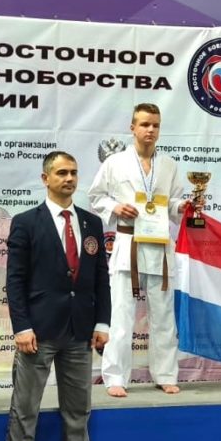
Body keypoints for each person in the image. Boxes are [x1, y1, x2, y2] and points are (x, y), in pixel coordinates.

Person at [3, 151, 112, 441]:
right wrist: (22, 326)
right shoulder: (26, 222)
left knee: (79, 408)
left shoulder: (91, 223)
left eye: (74, 173)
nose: (69, 178)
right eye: (62, 173)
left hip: (80, 330)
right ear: (45, 178)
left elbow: (101, 278)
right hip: (38, 331)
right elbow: (15, 281)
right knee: (25, 407)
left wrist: (102, 321)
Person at [88, 102, 186, 397]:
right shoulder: (115, 163)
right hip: (128, 244)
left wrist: (184, 207)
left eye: (155, 125)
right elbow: (96, 196)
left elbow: (173, 203)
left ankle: (165, 373)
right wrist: (116, 207)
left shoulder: (168, 165)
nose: (150, 130)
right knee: (121, 314)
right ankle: (115, 376)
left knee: (163, 316)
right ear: (133, 128)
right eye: (144, 124)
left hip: (159, 247)